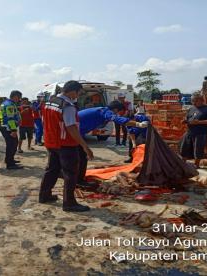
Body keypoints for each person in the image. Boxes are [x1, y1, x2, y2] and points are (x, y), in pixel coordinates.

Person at [39, 80, 94, 212]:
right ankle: (69, 203)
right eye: (78, 93)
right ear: (71, 91)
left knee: (51, 170)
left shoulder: (50, 101)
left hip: (51, 142)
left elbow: (43, 120)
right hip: (65, 144)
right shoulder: (67, 106)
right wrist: (85, 146)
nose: (78, 96)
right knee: (70, 173)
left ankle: (44, 195)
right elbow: (72, 128)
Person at [77, 101, 148, 185]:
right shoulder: (106, 111)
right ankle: (78, 181)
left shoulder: (101, 110)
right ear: (115, 109)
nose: (118, 114)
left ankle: (75, 178)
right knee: (81, 157)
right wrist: (138, 124)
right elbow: (117, 119)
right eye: (118, 112)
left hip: (75, 132)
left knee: (78, 156)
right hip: (73, 133)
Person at [180, 93, 207, 168]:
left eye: (195, 101)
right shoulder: (191, 108)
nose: (193, 102)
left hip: (201, 132)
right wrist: (185, 121)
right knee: (185, 147)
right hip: (190, 131)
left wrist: (199, 122)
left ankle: (196, 164)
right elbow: (188, 118)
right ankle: (182, 162)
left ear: (201, 100)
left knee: (198, 148)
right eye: (193, 101)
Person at [0, 90, 23, 170]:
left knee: (12, 144)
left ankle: (9, 160)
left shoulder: (6, 103)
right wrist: (13, 130)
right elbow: (10, 118)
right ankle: (10, 164)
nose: (19, 99)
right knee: (12, 145)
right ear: (15, 96)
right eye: (19, 97)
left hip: (6, 126)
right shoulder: (9, 105)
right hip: (8, 127)